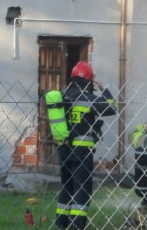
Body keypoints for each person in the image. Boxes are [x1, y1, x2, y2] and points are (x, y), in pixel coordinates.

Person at [54, 61, 117, 230]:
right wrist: (103, 88)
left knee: (66, 186)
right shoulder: (90, 99)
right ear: (90, 80)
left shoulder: (62, 96)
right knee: (82, 189)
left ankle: (61, 223)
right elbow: (112, 107)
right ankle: (77, 225)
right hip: (82, 152)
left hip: (64, 149)